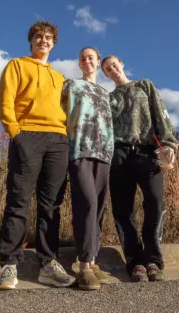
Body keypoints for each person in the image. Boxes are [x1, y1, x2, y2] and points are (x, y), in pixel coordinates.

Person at [0, 20, 76, 291]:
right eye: (39, 37)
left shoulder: (60, 77)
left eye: (49, 37)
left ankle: (48, 264)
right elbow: (5, 101)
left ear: (54, 43)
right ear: (31, 41)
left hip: (58, 140)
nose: (43, 41)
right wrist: (16, 133)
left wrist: (66, 135)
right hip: (27, 135)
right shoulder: (17, 65)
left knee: (51, 205)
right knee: (18, 199)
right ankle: (9, 264)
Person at [101, 54, 178, 282]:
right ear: (105, 74)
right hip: (119, 154)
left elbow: (160, 114)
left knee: (155, 201)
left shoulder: (145, 85)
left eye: (114, 65)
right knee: (123, 210)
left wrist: (168, 144)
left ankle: (153, 258)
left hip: (146, 151)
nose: (112, 70)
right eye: (107, 69)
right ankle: (135, 261)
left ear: (122, 64)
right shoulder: (108, 98)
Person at [60, 46, 114, 291]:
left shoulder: (105, 93)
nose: (87, 61)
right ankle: (83, 266)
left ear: (98, 61)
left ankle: (93, 260)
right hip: (80, 149)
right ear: (79, 63)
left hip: (104, 154)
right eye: (82, 58)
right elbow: (59, 114)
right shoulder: (71, 85)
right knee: (87, 203)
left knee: (99, 207)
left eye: (91, 57)